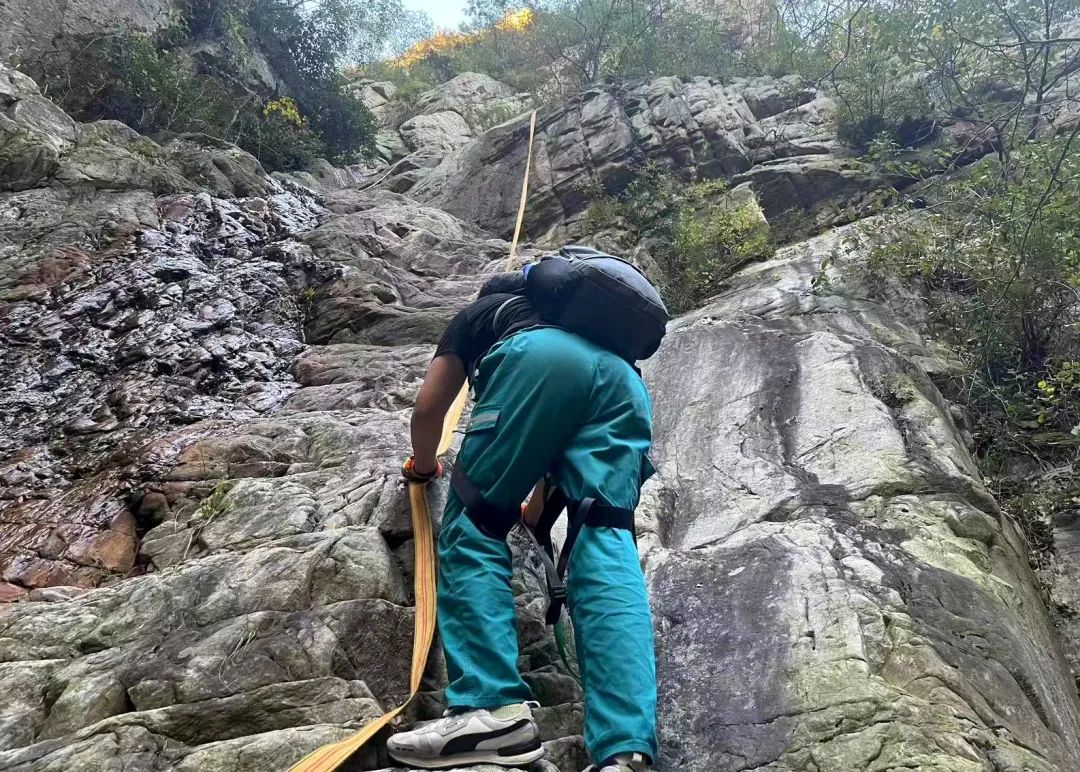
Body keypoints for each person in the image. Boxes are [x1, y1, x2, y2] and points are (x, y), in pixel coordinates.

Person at [389, 261, 658, 772]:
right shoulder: (602, 337)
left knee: (474, 523)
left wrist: (424, 468)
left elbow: (429, 409)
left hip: (538, 363)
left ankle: (490, 709)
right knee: (603, 535)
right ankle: (626, 748)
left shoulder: (484, 311)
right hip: (625, 388)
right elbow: (553, 457)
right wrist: (534, 513)